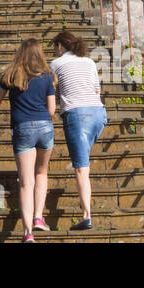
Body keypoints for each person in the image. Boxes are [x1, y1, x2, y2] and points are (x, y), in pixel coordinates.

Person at [0, 39, 57, 242]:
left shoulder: (11, 74)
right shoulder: (48, 76)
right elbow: (52, 110)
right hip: (44, 127)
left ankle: (28, 233)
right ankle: (38, 217)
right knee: (42, 172)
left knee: (26, 183)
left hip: (22, 129)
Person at [50, 30, 107, 230]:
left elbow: (52, 93)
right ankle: (86, 212)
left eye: (54, 48)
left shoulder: (55, 65)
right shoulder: (89, 62)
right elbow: (96, 89)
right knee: (83, 161)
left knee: (81, 168)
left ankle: (86, 215)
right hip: (99, 113)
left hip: (77, 115)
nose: (54, 51)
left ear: (59, 46)